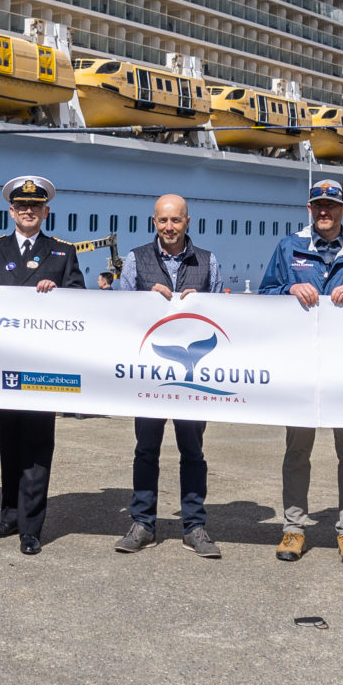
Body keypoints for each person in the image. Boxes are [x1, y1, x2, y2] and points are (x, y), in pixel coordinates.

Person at [258, 178, 343, 565]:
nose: (324, 211)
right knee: (297, 451)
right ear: (309, 209)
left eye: (331, 205)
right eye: (317, 205)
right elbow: (265, 295)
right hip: (301, 367)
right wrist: (287, 292)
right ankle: (294, 528)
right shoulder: (289, 247)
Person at [0, 175, 80, 554]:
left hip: (42, 367)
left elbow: (81, 304)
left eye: (35, 206)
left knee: (36, 447)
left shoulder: (62, 253)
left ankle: (32, 527)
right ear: (11, 211)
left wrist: (60, 294)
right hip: (3, 365)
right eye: (21, 206)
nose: (28, 211)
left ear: (46, 211)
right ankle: (9, 515)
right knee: (9, 443)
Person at [113, 193, 222, 558]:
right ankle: (143, 524)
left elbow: (225, 315)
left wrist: (203, 302)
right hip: (149, 375)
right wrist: (147, 298)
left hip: (194, 376)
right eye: (163, 221)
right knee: (146, 450)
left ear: (188, 222)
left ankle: (195, 527)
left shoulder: (208, 262)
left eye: (176, 220)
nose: (169, 228)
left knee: (193, 452)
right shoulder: (135, 260)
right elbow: (120, 312)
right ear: (154, 222)